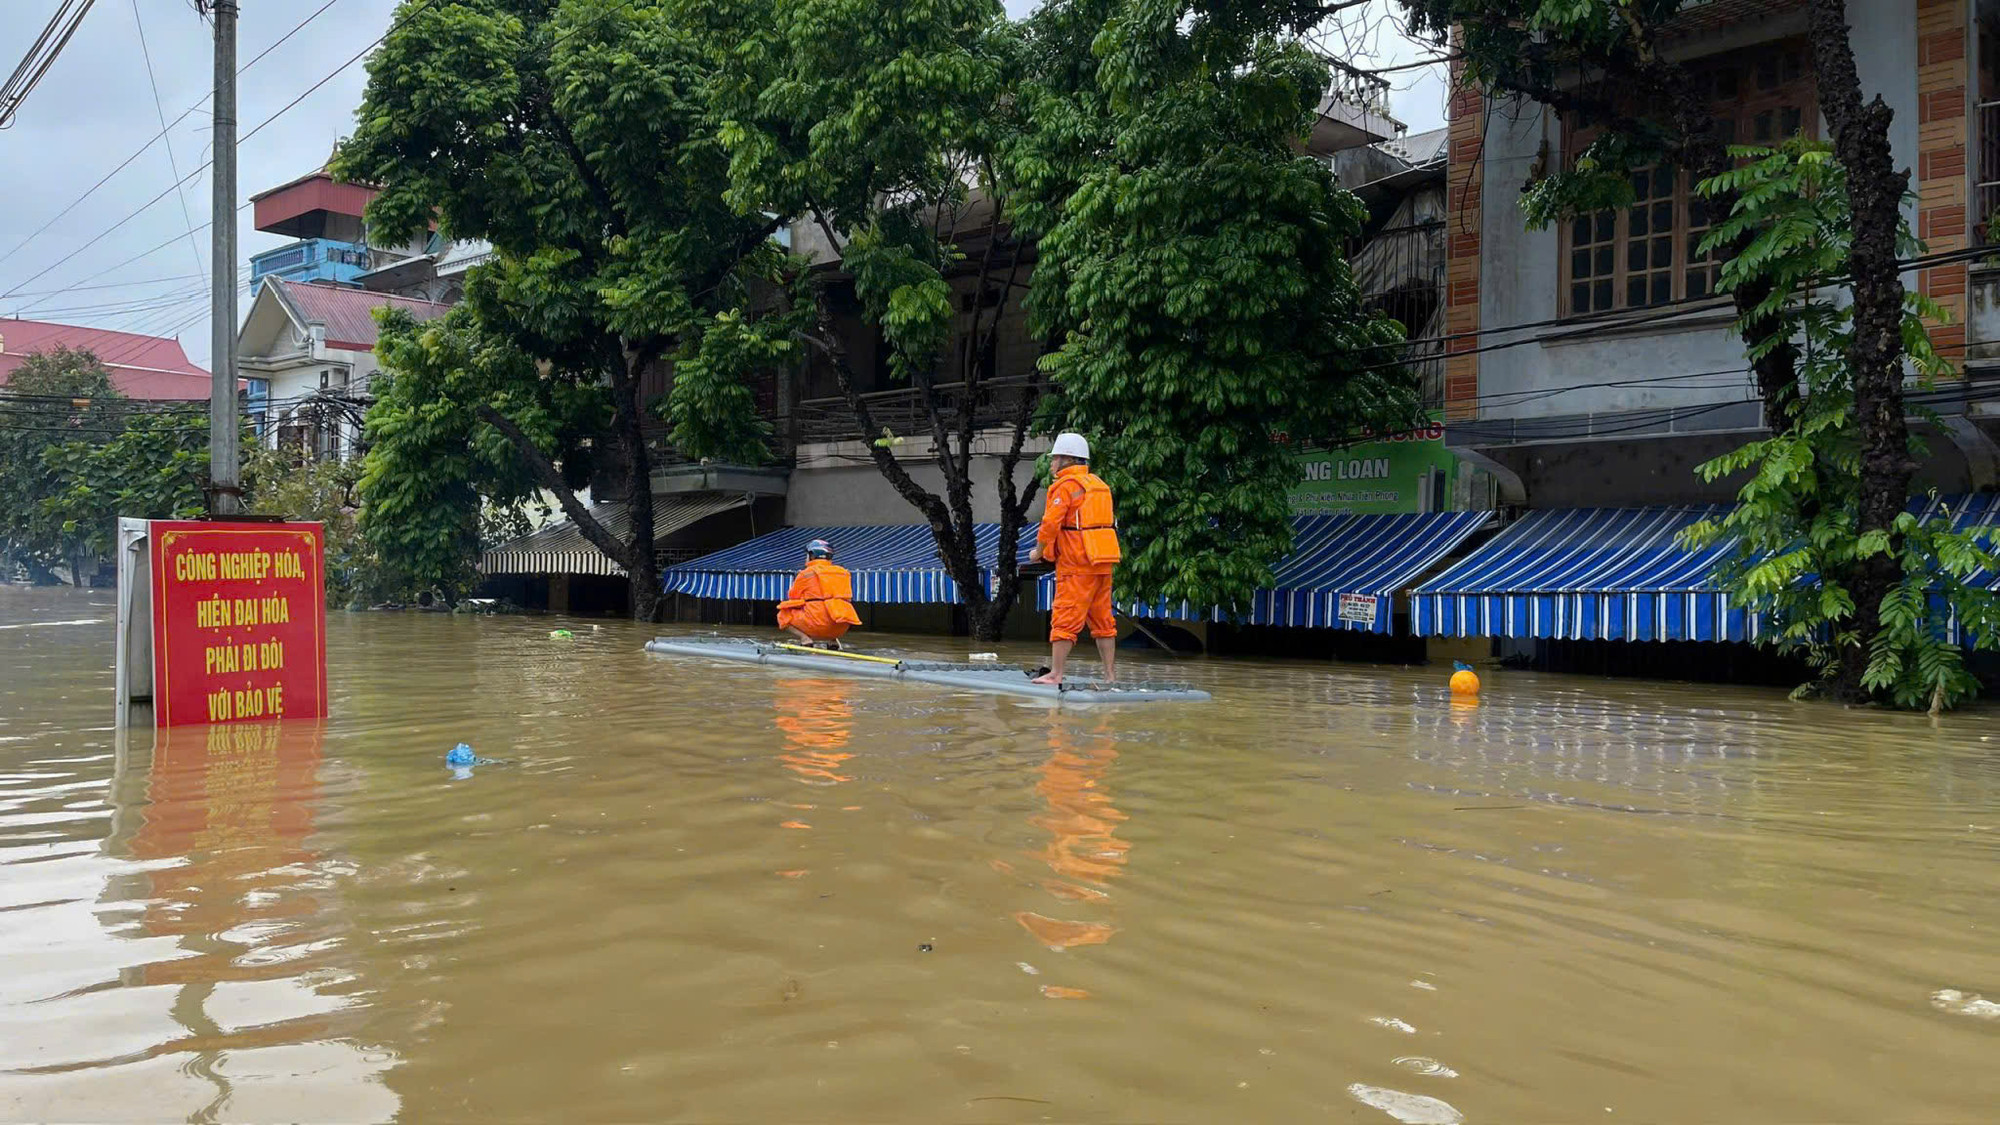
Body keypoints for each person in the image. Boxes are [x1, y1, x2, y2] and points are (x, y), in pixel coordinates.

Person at [1028, 432, 1120, 684]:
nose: (1052, 463)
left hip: (1076, 562)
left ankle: (1056, 674)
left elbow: (1050, 524)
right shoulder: (1099, 485)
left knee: (1065, 615)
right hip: (1103, 559)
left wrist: (1039, 552)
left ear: (1067, 459)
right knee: (1103, 620)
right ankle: (1110, 676)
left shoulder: (1066, 487)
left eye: (1055, 458)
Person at [777, 539, 861, 648]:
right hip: (841, 626)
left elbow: (793, 596)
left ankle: (805, 639)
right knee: (832, 609)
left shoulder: (806, 573)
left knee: (783, 613)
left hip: (817, 624)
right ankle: (833, 641)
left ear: (812, 555)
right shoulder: (844, 572)